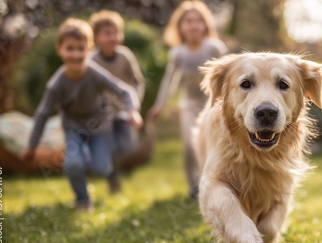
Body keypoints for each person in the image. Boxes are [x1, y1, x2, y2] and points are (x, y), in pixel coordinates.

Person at [22, 18, 142, 212]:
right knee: (73, 165)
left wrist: (133, 111)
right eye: (70, 48)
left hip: (100, 125)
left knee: (102, 168)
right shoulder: (56, 84)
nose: (76, 54)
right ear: (59, 49)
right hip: (74, 126)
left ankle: (88, 155)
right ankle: (83, 200)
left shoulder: (95, 73)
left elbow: (125, 91)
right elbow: (42, 114)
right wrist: (32, 146)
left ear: (89, 49)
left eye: (81, 48)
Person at [148, 0, 227, 199]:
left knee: (212, 143)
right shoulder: (178, 53)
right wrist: (160, 105)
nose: (193, 25)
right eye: (188, 21)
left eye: (198, 21)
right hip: (190, 104)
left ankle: (213, 182)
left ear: (206, 25)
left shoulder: (214, 48)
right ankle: (194, 185)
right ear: (180, 26)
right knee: (190, 144)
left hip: (213, 103)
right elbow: (169, 80)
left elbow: (227, 76)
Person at [89, 10, 146, 194]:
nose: (113, 37)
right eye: (107, 33)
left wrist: (134, 108)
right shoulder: (91, 61)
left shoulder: (124, 56)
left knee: (128, 146)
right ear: (96, 37)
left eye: (116, 32)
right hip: (102, 113)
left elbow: (138, 82)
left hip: (124, 110)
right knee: (109, 146)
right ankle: (113, 181)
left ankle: (119, 167)